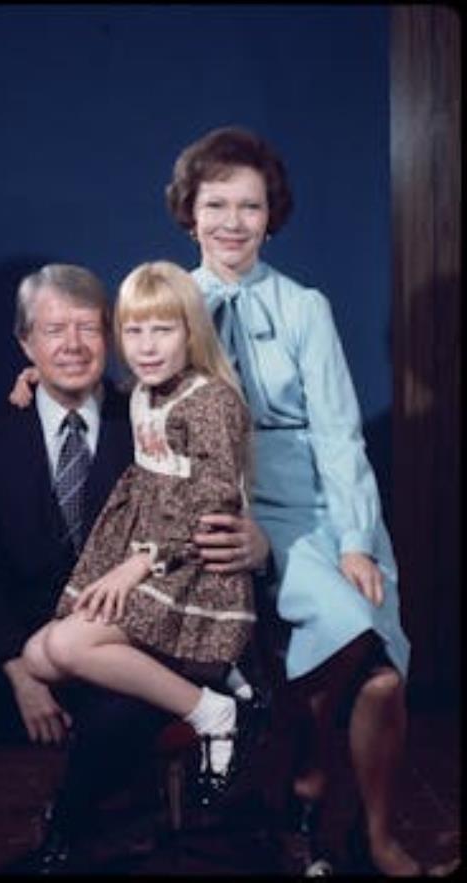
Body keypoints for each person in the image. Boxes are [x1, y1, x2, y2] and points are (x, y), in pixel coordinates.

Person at [0, 261, 270, 875]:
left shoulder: (153, 409)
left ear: (109, 335)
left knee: (122, 715)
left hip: (158, 630)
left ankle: (66, 839)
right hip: (45, 635)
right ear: (26, 344)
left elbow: (218, 487)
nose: (72, 346)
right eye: (53, 332)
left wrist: (259, 543)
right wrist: (18, 669)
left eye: (88, 328)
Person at [164, 125, 420, 876]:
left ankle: (354, 824)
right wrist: (41, 391)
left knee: (378, 668)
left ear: (272, 216)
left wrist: (355, 541)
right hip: (220, 500)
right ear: (190, 212)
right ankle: (307, 796)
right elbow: (134, 401)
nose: (233, 223)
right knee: (356, 657)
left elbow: (341, 434)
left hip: (315, 501)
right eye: (218, 205)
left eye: (251, 206)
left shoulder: (305, 306)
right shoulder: (165, 298)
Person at [21, 260, 265, 808]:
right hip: (148, 561)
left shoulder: (211, 401)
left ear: (191, 332)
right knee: (38, 654)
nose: (147, 346)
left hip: (191, 573)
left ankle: (212, 710)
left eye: (163, 330)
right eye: (134, 331)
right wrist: (35, 374)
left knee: (64, 643)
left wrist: (138, 564)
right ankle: (216, 682)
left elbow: (212, 494)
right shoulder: (142, 394)